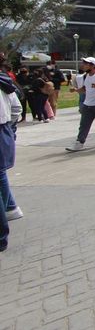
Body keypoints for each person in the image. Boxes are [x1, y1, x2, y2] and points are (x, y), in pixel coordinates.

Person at [0, 69, 22, 251]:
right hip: (4, 128)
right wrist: (10, 126)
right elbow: (17, 108)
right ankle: (10, 207)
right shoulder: (5, 83)